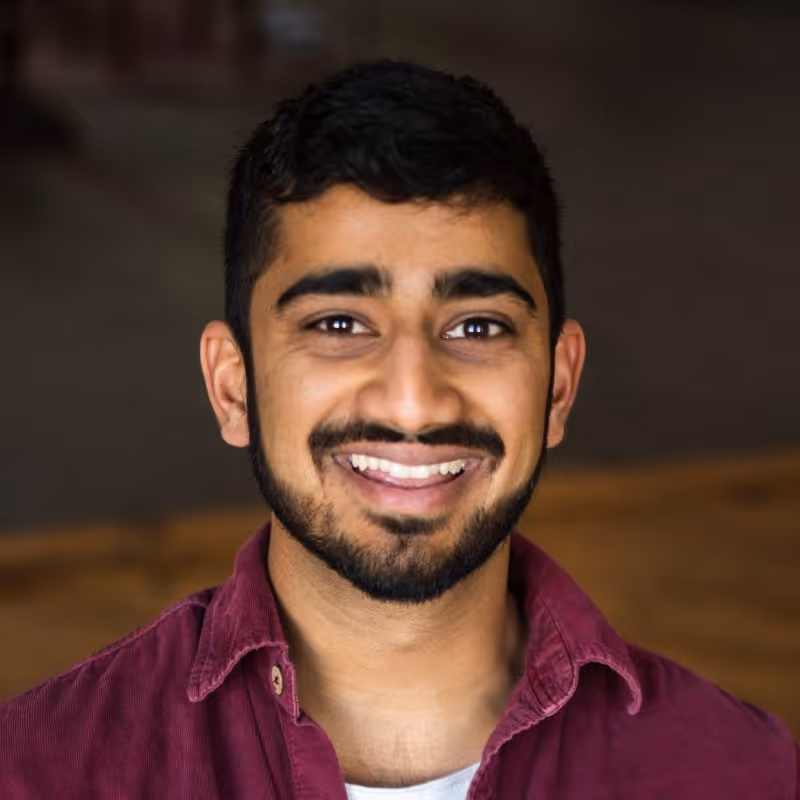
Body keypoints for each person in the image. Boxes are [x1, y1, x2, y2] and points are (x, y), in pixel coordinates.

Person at [0, 59, 796, 799]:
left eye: (478, 326)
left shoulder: (743, 775)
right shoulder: (39, 772)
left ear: (558, 386)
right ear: (232, 386)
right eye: (339, 324)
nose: (415, 404)